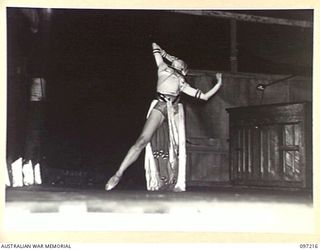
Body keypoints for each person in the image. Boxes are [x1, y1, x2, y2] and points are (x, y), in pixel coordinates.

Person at [105, 42, 222, 191]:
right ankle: (117, 174)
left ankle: (170, 181)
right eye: (175, 58)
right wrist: (168, 56)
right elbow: (154, 45)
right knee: (142, 141)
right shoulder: (163, 67)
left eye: (179, 60)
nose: (176, 59)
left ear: (183, 69)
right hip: (160, 106)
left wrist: (219, 83)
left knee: (174, 149)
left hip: (174, 111)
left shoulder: (182, 82)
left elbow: (204, 97)